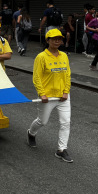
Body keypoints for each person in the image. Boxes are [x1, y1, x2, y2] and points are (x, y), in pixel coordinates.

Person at [27, 29, 73, 163]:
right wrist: (42, 94)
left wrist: (66, 92)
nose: (57, 41)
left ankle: (61, 149)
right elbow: (36, 77)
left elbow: (67, 75)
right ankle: (31, 133)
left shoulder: (64, 55)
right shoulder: (41, 57)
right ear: (47, 41)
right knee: (43, 121)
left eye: (59, 38)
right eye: (54, 39)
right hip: (47, 97)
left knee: (65, 123)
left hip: (63, 96)